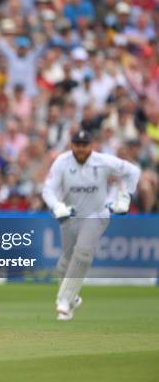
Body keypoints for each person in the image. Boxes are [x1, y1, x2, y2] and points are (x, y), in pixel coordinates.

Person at [42, 130, 140, 321]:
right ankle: (73, 297)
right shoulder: (62, 162)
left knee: (83, 252)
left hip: (97, 214)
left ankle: (64, 301)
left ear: (91, 145)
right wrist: (57, 205)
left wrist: (126, 196)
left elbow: (132, 171)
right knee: (65, 262)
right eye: (77, 145)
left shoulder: (103, 161)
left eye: (84, 145)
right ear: (72, 145)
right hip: (70, 216)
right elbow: (48, 189)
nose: (81, 149)